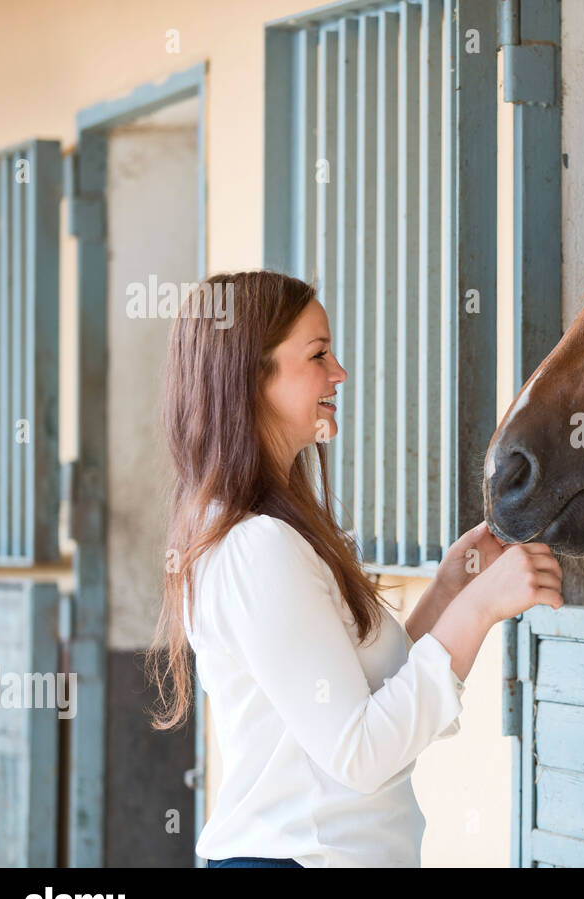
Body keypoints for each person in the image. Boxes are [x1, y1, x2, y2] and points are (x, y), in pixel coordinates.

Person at [144, 270, 563, 867]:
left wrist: (449, 590)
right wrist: (478, 608)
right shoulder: (255, 545)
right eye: (318, 354)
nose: (338, 372)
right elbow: (360, 753)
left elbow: (370, 706)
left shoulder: (262, 530)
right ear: (250, 378)